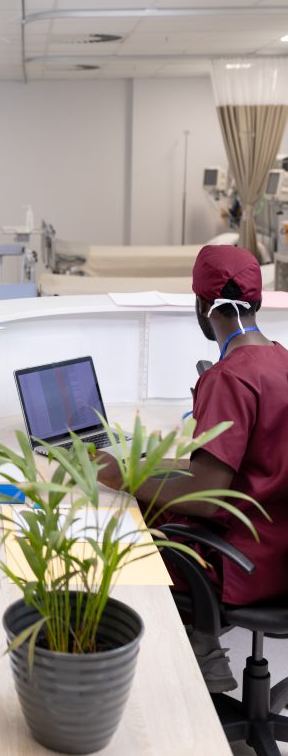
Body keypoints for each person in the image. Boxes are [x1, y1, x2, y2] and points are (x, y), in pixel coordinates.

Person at [97, 244, 288, 692]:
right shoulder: (281, 361)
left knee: (122, 526)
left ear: (202, 306)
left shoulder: (227, 378)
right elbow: (245, 465)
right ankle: (198, 642)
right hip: (278, 548)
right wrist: (151, 465)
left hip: (236, 561)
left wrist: (121, 476)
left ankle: (189, 655)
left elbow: (206, 494)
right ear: (257, 301)